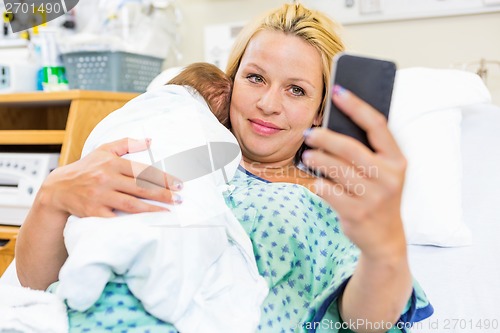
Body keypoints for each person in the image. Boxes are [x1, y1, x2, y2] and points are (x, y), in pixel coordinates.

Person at [16, 3, 433, 333]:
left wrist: (385, 249)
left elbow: (368, 322)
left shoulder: (330, 198)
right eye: (255, 78)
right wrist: (52, 199)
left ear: (320, 111)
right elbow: (40, 282)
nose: (269, 103)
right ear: (230, 82)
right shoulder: (175, 153)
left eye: (296, 89)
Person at [54, 62, 268, 333]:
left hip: (130, 180)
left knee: (100, 226)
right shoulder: (186, 117)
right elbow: (222, 157)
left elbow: (99, 136)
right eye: (255, 78)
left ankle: (90, 264)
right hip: (140, 175)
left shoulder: (130, 112)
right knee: (183, 219)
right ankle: (165, 290)